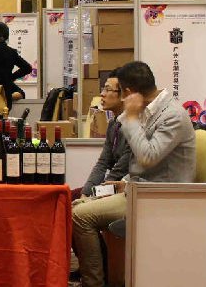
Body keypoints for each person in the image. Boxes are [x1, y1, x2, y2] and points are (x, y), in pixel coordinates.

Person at [72, 61, 196, 287]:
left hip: (158, 197)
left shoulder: (173, 115)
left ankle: (94, 283)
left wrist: (129, 118)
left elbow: (148, 155)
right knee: (77, 205)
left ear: (128, 93)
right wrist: (126, 181)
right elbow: (140, 160)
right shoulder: (150, 111)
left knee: (80, 216)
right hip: (138, 190)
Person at [73, 71, 131, 202]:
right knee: (69, 196)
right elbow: (102, 163)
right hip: (110, 186)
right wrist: (85, 193)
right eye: (103, 89)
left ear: (124, 95)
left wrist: (93, 197)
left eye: (108, 89)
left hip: (124, 190)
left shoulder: (134, 127)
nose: (102, 94)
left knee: (79, 208)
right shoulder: (113, 124)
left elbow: (119, 171)